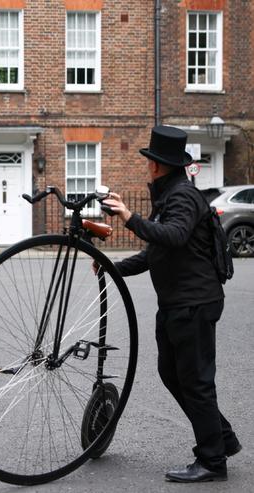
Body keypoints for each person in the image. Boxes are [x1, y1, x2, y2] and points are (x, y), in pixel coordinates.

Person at [102, 125, 240, 483]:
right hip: (178, 304)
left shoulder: (181, 197)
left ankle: (212, 460)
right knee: (172, 373)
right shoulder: (172, 196)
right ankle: (221, 438)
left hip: (193, 304)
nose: (147, 167)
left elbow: (174, 236)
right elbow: (155, 254)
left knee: (195, 382)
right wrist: (112, 267)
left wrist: (130, 218)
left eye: (149, 161)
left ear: (158, 166)